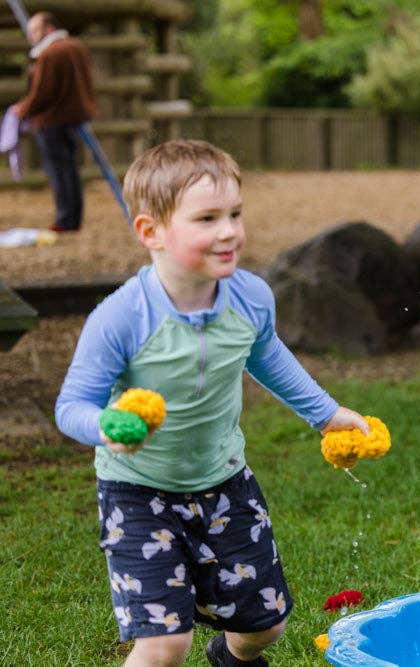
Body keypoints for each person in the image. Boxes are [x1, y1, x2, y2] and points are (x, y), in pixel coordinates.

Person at [54, 139, 370, 667]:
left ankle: (229, 657)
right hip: (138, 493)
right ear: (150, 232)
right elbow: (72, 406)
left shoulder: (251, 297)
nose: (228, 231)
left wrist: (326, 413)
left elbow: (267, 358)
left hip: (226, 483)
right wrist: (107, 425)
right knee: (163, 644)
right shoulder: (121, 318)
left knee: (265, 626)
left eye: (235, 214)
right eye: (206, 218)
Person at [12, 12, 97, 232]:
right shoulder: (76, 47)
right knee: (70, 169)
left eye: (35, 31)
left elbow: (42, 93)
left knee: (59, 171)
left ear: (48, 29)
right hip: (74, 117)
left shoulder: (50, 54)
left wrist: (21, 110)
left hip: (53, 119)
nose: (31, 36)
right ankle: (73, 217)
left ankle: (65, 219)